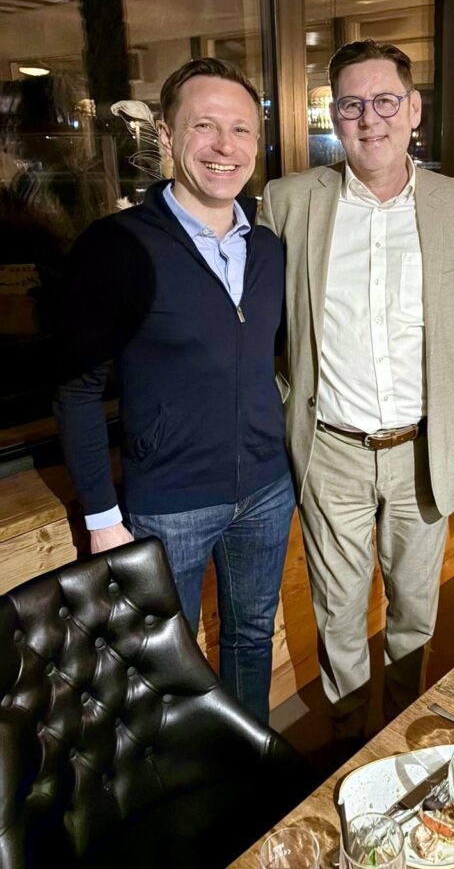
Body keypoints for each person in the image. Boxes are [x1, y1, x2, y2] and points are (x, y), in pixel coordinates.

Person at [259, 39, 454, 745]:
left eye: (385, 100)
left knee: (416, 614)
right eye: (352, 104)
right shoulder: (289, 202)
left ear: (414, 109)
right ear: (334, 116)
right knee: (338, 617)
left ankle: (402, 738)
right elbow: (261, 327)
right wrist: (287, 402)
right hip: (332, 451)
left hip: (423, 449)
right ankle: (351, 748)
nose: (369, 118)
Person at [55, 58, 294, 724]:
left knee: (252, 639)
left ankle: (248, 765)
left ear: (257, 141)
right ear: (166, 134)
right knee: (167, 666)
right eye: (204, 126)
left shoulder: (268, 248)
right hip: (168, 504)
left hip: (267, 491)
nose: (225, 146)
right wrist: (102, 520)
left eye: (241, 130)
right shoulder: (116, 246)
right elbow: (77, 391)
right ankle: (190, 782)